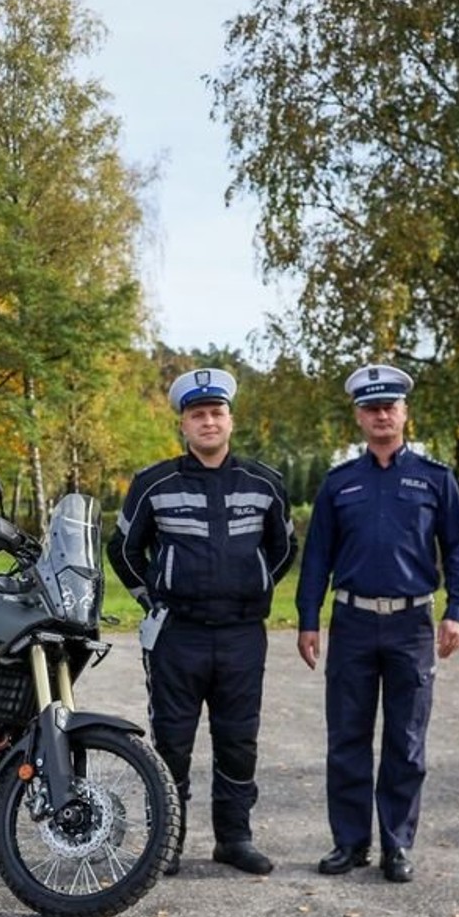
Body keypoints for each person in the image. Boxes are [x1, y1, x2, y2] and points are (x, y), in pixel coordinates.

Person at [108, 367, 296, 877]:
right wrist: (155, 598)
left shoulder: (264, 483)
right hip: (178, 637)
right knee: (172, 742)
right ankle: (167, 844)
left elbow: (283, 550)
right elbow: (123, 550)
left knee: (239, 740)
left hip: (241, 636)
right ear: (183, 426)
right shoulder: (154, 483)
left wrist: (252, 584)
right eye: (198, 415)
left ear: (230, 420)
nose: (208, 422)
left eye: (216, 413)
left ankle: (234, 839)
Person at [295, 364, 459, 884]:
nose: (381, 415)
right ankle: (350, 844)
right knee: (347, 738)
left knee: (406, 739)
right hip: (351, 621)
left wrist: (457, 612)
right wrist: (309, 620)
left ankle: (397, 844)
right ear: (358, 416)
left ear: (404, 413)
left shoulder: (435, 479)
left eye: (389, 406)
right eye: (371, 408)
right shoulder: (339, 484)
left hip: (411, 625)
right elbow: (317, 559)